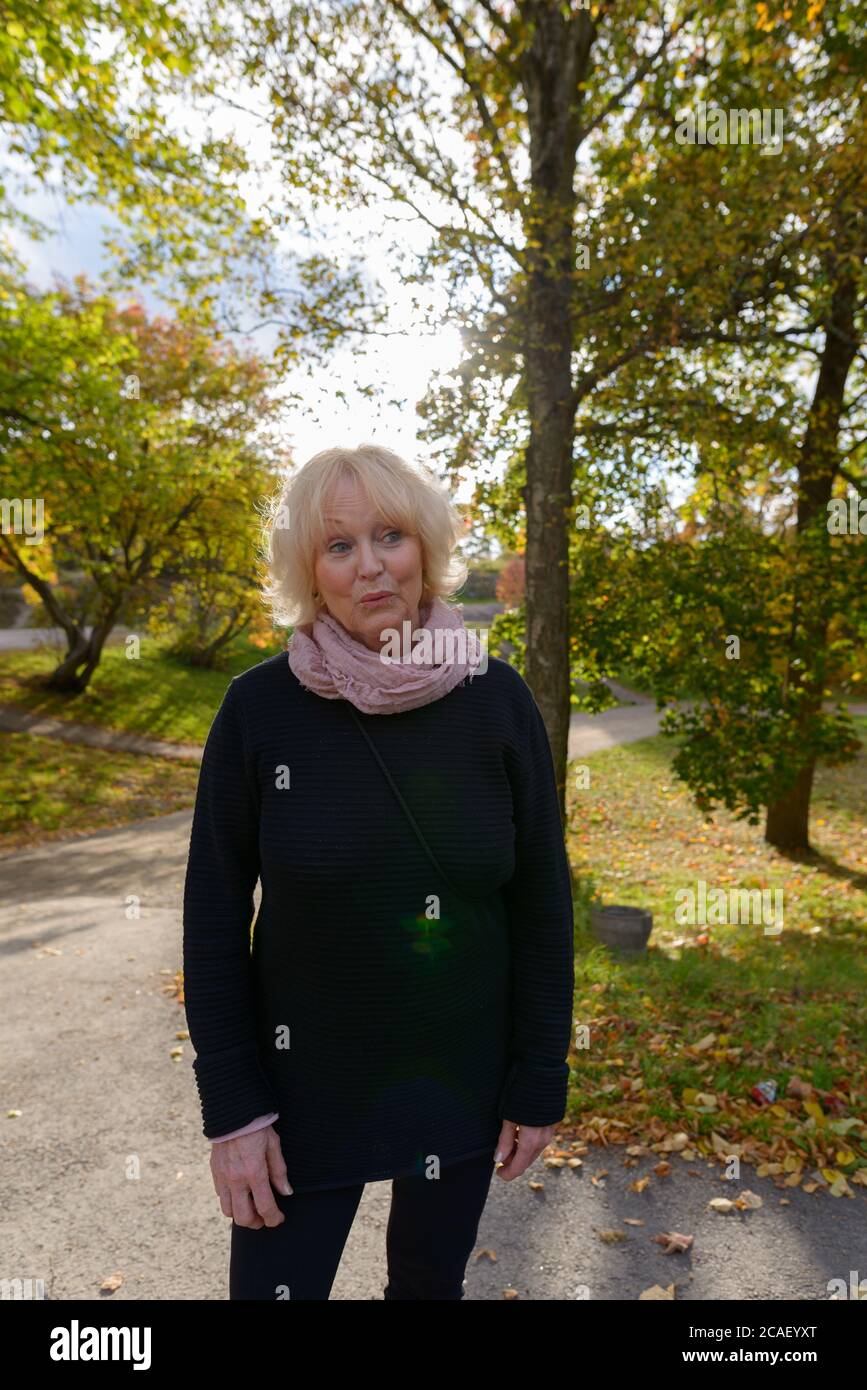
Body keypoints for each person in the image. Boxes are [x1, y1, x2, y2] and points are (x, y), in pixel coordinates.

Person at [182, 443, 575, 1299]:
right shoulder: (258, 711)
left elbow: (542, 900)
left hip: (458, 1086)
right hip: (298, 1102)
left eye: (389, 536)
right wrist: (233, 1111)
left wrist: (540, 1074)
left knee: (428, 1290)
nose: (370, 567)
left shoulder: (496, 700)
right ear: (308, 571)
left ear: (425, 547)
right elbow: (212, 918)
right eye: (338, 546)